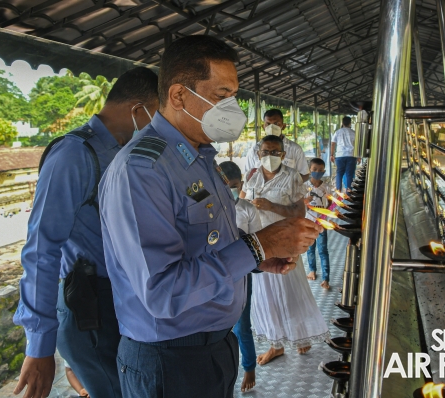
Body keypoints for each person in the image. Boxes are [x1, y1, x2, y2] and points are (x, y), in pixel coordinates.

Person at [98, 35, 322, 398]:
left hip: (212, 348)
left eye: (234, 97)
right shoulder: (144, 170)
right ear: (178, 96)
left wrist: (255, 260)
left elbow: (205, 244)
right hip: (170, 361)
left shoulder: (197, 159)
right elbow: (161, 292)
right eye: (221, 97)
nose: (232, 108)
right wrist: (255, 247)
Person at [13, 67, 159, 398]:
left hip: (125, 301)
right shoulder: (74, 155)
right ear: (139, 110)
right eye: (158, 117)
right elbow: (41, 249)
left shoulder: (125, 152)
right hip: (92, 308)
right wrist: (40, 346)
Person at [241, 135, 330, 366]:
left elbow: (298, 213)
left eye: (274, 152)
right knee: (266, 295)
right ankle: (276, 345)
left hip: (285, 241)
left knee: (292, 290)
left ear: (282, 154)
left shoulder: (291, 177)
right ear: (258, 153)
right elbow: (242, 202)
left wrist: (272, 206)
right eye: (265, 152)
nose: (269, 156)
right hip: (259, 242)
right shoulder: (252, 176)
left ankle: (301, 335)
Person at [220, 160, 261, 393]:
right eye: (224, 185)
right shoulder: (208, 205)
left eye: (234, 185)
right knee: (218, 327)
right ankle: (227, 374)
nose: (230, 190)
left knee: (242, 325)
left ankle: (249, 367)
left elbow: (256, 244)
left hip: (243, 273)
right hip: (214, 274)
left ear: (241, 183)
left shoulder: (247, 209)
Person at [244, 109, 310, 182]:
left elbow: (304, 174)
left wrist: (291, 186)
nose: (272, 127)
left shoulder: (295, 149)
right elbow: (248, 174)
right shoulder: (255, 150)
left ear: (283, 126)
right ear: (263, 126)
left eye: (276, 124)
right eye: (268, 124)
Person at [304, 158, 332, 289]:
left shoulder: (326, 187)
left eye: (320, 170)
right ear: (309, 170)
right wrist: (305, 200)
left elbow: (331, 202)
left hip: (321, 223)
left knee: (322, 250)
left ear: (324, 171)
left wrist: (326, 214)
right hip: (308, 222)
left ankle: (326, 278)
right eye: (314, 169)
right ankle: (312, 270)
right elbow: (299, 203)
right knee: (310, 248)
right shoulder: (304, 187)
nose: (317, 172)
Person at [331, 116, 357, 192]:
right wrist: (358, 156)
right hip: (351, 155)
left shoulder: (337, 132)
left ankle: (338, 190)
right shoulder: (354, 133)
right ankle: (349, 192)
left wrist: (331, 155)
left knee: (339, 173)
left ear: (342, 123)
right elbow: (357, 145)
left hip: (340, 155)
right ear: (350, 123)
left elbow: (333, 144)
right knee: (349, 174)